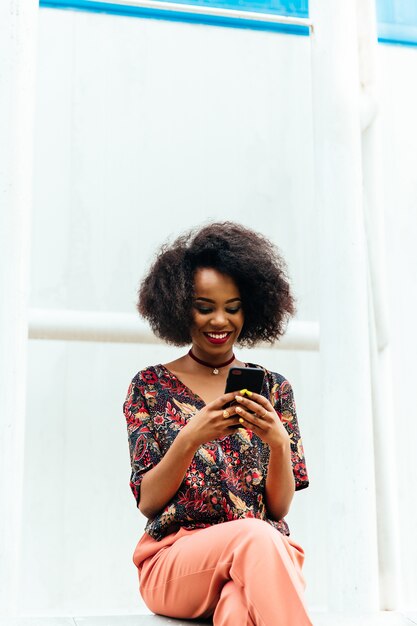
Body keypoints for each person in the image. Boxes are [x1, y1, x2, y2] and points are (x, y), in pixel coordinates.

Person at [124, 222, 312, 625]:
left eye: (233, 307)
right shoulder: (150, 387)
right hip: (175, 562)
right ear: (177, 307)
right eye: (204, 307)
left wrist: (278, 443)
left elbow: (277, 507)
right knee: (255, 535)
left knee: (237, 607)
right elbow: (148, 502)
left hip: (261, 557)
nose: (220, 321)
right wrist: (191, 436)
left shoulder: (274, 390)